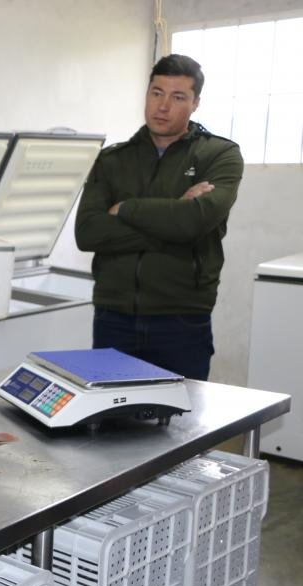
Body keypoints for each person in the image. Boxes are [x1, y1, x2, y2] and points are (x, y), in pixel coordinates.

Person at [75, 54, 244, 380]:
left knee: (183, 426)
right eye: (156, 92)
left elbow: (193, 222)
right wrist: (174, 213)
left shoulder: (219, 155)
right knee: (112, 425)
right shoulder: (112, 159)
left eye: (177, 97)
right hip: (114, 316)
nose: (163, 105)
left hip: (181, 320)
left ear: (195, 103)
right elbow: (88, 233)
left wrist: (126, 209)